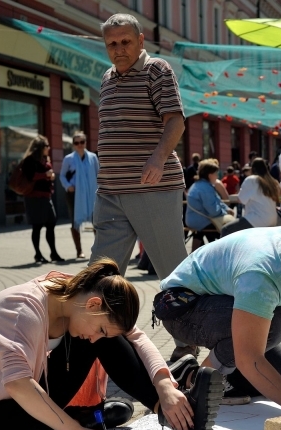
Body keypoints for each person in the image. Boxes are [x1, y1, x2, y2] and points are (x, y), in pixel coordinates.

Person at [0, 259, 222, 430]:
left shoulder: (76, 295)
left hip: (36, 395)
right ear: (93, 304)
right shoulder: (23, 309)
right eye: (99, 327)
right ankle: (91, 418)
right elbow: (18, 385)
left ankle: (169, 412)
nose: (95, 337)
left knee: (109, 339)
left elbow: (137, 337)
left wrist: (164, 386)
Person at [156, 225, 281, 411]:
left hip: (217, 301)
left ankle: (185, 372)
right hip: (180, 308)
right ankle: (196, 382)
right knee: (277, 324)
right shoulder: (260, 275)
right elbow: (248, 358)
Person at [95, 14, 192, 360]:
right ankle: (97, 342)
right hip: (110, 191)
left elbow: (176, 121)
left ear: (140, 41)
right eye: (112, 43)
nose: (119, 49)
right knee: (100, 272)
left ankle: (186, 342)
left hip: (153, 188)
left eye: (125, 41)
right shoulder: (106, 79)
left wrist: (157, 158)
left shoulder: (157, 71)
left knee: (172, 271)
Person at [21, 135, 64, 264]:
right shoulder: (30, 160)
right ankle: (38, 254)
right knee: (37, 226)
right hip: (34, 197)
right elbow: (30, 176)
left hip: (46, 196)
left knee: (51, 223)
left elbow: (47, 174)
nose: (49, 148)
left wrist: (51, 177)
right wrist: (44, 175)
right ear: (41, 147)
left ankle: (53, 253)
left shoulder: (45, 159)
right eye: (47, 146)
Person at [60, 131, 99, 259]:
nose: (79, 145)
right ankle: (79, 251)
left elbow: (98, 174)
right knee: (75, 220)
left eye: (82, 142)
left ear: (85, 143)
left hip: (92, 193)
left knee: (96, 221)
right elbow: (62, 175)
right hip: (74, 194)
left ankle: (98, 250)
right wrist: (67, 186)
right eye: (76, 143)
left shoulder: (93, 157)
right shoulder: (69, 159)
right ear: (73, 145)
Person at [220, 158, 281, 237]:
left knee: (226, 229)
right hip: (272, 219)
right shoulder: (272, 181)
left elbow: (241, 200)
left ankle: (225, 250)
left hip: (257, 219)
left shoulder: (251, 180)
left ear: (253, 169)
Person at [186, 159, 235, 232]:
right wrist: (225, 212)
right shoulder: (205, 188)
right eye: (216, 173)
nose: (217, 176)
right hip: (201, 221)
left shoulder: (202, 185)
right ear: (210, 175)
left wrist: (227, 209)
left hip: (197, 219)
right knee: (231, 228)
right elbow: (213, 212)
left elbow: (217, 201)